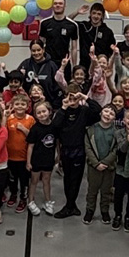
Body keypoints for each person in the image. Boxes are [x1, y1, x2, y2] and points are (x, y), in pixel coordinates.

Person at [54, 88, 102, 218]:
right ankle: (71, 205)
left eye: (75, 98)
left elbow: (98, 111)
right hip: (66, 150)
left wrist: (85, 98)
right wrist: (64, 107)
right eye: (70, 97)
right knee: (67, 179)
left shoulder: (84, 111)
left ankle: (69, 206)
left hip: (79, 151)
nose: (73, 100)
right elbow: (55, 126)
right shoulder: (62, 112)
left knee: (76, 180)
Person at [83, 105, 117, 225]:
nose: (108, 114)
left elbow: (115, 150)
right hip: (94, 167)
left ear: (114, 118)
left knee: (106, 191)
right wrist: (96, 163)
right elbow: (88, 148)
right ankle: (90, 210)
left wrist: (106, 162)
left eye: (111, 113)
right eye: (106, 111)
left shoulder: (116, 132)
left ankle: (104, 211)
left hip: (109, 168)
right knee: (92, 190)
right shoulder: (91, 130)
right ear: (101, 113)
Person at [26, 101, 58, 216]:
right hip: (36, 160)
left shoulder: (54, 127)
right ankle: (30, 201)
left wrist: (58, 156)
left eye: (44, 111)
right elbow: (30, 146)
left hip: (48, 159)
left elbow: (57, 143)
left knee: (46, 180)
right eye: (38, 112)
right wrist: (28, 162)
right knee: (34, 181)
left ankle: (48, 201)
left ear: (49, 112)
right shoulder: (35, 129)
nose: (42, 114)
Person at [71, 3, 116, 71]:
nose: (96, 16)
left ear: (102, 16)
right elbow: (67, 21)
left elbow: (111, 51)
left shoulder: (108, 32)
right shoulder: (83, 26)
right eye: (94, 13)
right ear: (90, 14)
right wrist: (77, 12)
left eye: (99, 14)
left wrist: (104, 62)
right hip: (84, 65)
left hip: (100, 67)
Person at [18, 40, 62, 109]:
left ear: (43, 50)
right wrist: (20, 76)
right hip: (28, 108)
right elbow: (16, 82)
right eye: (33, 51)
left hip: (48, 107)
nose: (36, 53)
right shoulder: (25, 64)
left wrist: (54, 106)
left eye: (39, 50)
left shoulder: (51, 66)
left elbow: (58, 87)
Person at [39, 0, 79, 67]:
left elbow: (74, 48)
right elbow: (40, 45)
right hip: (48, 62)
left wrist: (75, 66)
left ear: (64, 6)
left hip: (65, 62)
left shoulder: (72, 25)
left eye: (60, 3)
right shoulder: (44, 23)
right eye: (55, 3)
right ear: (52, 6)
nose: (58, 5)